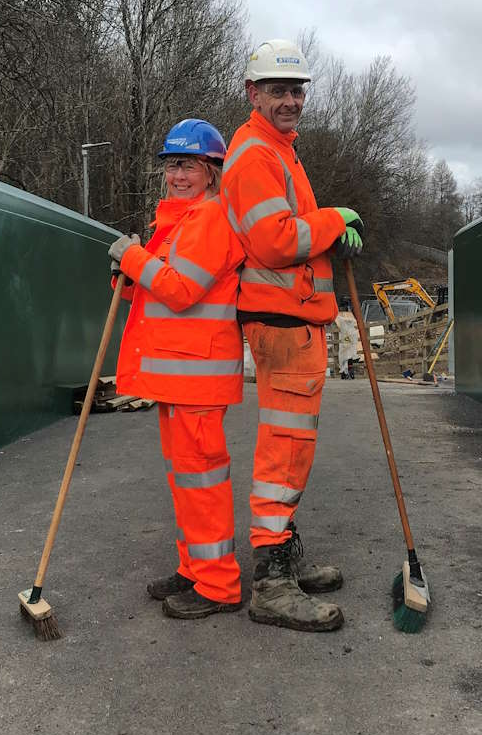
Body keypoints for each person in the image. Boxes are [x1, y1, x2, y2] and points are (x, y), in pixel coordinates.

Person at [221, 39, 366, 632]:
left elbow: (290, 232)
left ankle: (281, 554)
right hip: (282, 320)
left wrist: (328, 233)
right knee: (284, 446)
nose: (291, 100)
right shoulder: (256, 155)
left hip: (292, 317)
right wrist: (334, 220)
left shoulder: (279, 150)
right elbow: (277, 240)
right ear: (253, 92)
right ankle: (273, 580)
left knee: (293, 443)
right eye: (278, 90)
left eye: (297, 90)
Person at [108, 119, 247, 620]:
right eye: (171, 165)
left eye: (188, 165)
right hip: (179, 378)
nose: (178, 175)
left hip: (198, 379)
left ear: (211, 171)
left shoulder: (210, 219)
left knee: (202, 483)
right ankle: (194, 569)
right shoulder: (177, 222)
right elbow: (155, 287)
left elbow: (181, 290)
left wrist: (133, 258)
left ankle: (218, 585)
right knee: (186, 482)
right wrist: (127, 275)